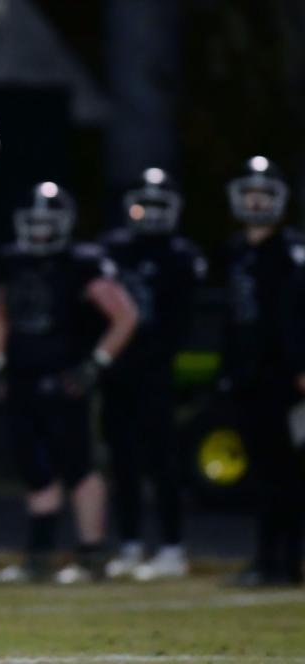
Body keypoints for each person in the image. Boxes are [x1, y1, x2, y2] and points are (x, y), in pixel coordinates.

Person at [0, 182, 138, 584]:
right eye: (33, 223)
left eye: (46, 222)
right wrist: (0, 363)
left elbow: (125, 316)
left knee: (78, 463)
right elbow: (1, 313)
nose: (39, 231)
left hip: (65, 378)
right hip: (23, 377)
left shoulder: (83, 263)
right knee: (34, 466)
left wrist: (94, 365)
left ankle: (92, 555)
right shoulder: (12, 260)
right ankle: (39, 556)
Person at [99, 168, 207, 581]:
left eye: (160, 206)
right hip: (117, 372)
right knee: (122, 462)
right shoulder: (112, 249)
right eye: (145, 204)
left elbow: (181, 321)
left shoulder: (182, 256)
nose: (151, 214)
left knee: (163, 463)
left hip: (155, 373)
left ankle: (172, 547)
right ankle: (128, 543)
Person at [219, 156, 305, 587]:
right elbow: (236, 321)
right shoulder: (236, 252)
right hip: (249, 379)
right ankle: (266, 558)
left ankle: (285, 562)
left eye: (264, 194)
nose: (256, 202)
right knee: (263, 476)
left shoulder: (293, 254)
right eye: (250, 193)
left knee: (286, 474)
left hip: (286, 380)